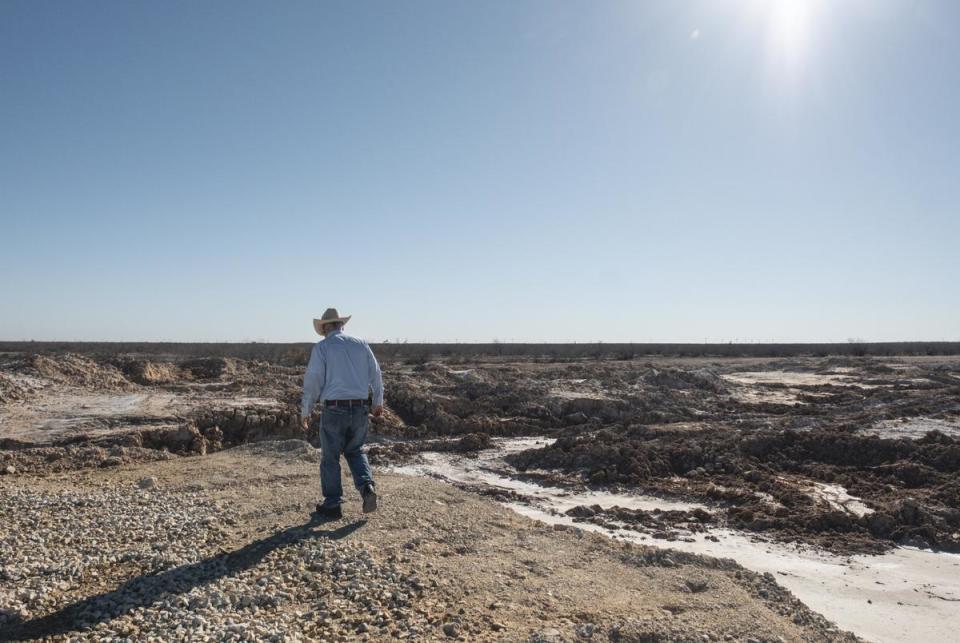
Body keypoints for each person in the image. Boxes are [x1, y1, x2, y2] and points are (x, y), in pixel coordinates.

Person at [300, 308, 384, 519]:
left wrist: (306, 409)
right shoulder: (361, 344)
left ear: (325, 328)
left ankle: (333, 504)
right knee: (355, 450)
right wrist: (377, 401)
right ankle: (367, 489)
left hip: (334, 408)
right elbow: (375, 373)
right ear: (341, 325)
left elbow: (314, 379)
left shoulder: (322, 347)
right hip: (360, 408)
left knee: (330, 457)